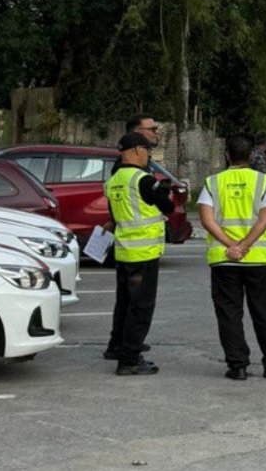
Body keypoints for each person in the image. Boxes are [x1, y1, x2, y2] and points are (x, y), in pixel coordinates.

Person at [198, 135, 266, 380]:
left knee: (229, 313)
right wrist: (245, 246)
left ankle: (237, 366)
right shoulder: (263, 182)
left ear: (227, 155)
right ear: (251, 157)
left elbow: (207, 221)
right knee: (263, 312)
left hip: (223, 259)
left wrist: (232, 246)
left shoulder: (212, 183)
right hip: (257, 258)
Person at [104, 133, 173, 375]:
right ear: (136, 150)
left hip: (124, 253)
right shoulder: (142, 180)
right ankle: (130, 359)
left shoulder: (113, 181)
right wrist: (166, 193)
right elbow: (168, 207)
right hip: (144, 254)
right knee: (141, 307)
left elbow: (114, 217)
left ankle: (120, 348)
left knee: (124, 304)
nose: (148, 155)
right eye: (146, 150)